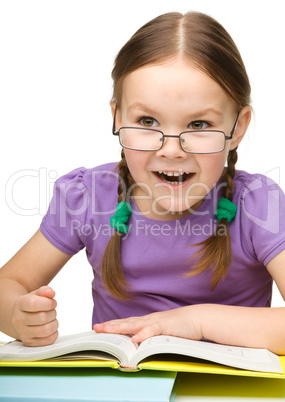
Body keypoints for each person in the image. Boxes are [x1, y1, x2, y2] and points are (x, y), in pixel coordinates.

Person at [1, 11, 285, 354]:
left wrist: (195, 322)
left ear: (237, 128)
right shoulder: (88, 197)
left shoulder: (257, 204)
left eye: (198, 125)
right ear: (118, 118)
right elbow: (9, 283)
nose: (170, 150)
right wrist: (17, 316)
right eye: (147, 120)